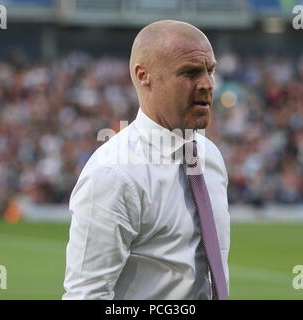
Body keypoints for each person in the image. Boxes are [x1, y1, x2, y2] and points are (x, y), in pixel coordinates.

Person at [63, 20, 230, 300]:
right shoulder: (114, 174)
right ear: (144, 75)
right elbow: (86, 295)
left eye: (210, 70)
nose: (207, 84)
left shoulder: (209, 156)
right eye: (190, 72)